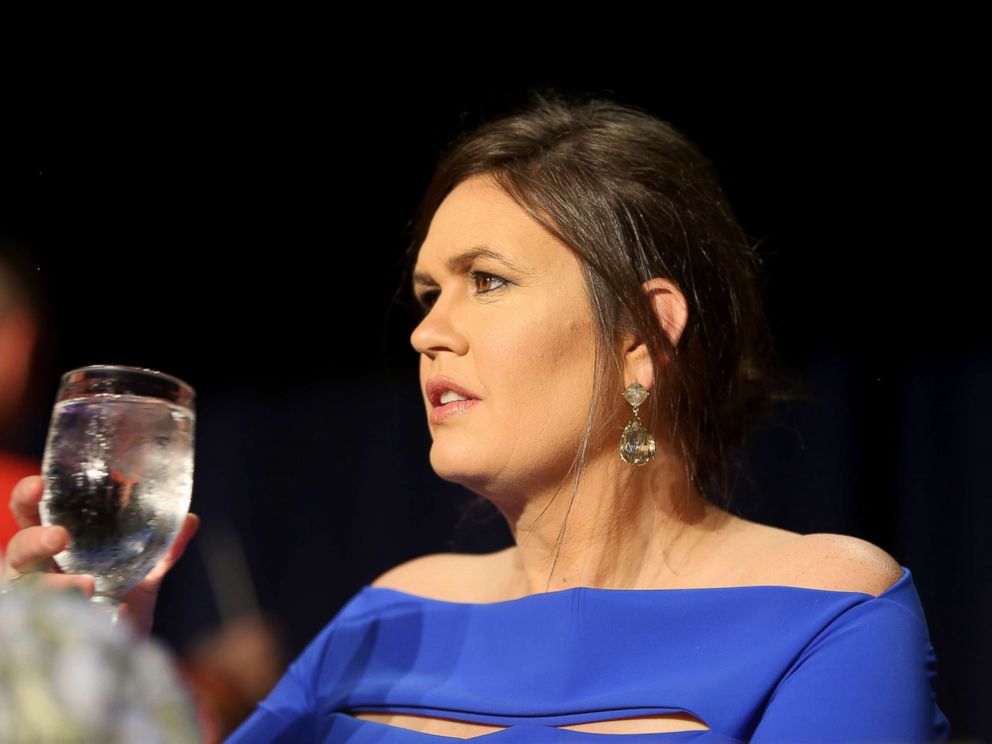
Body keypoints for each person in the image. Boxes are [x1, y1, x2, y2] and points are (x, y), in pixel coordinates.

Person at [4, 89, 950, 742]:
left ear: (642, 336)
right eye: (424, 294)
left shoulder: (824, 611)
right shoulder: (396, 611)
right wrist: (103, 658)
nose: (427, 334)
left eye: (485, 282)